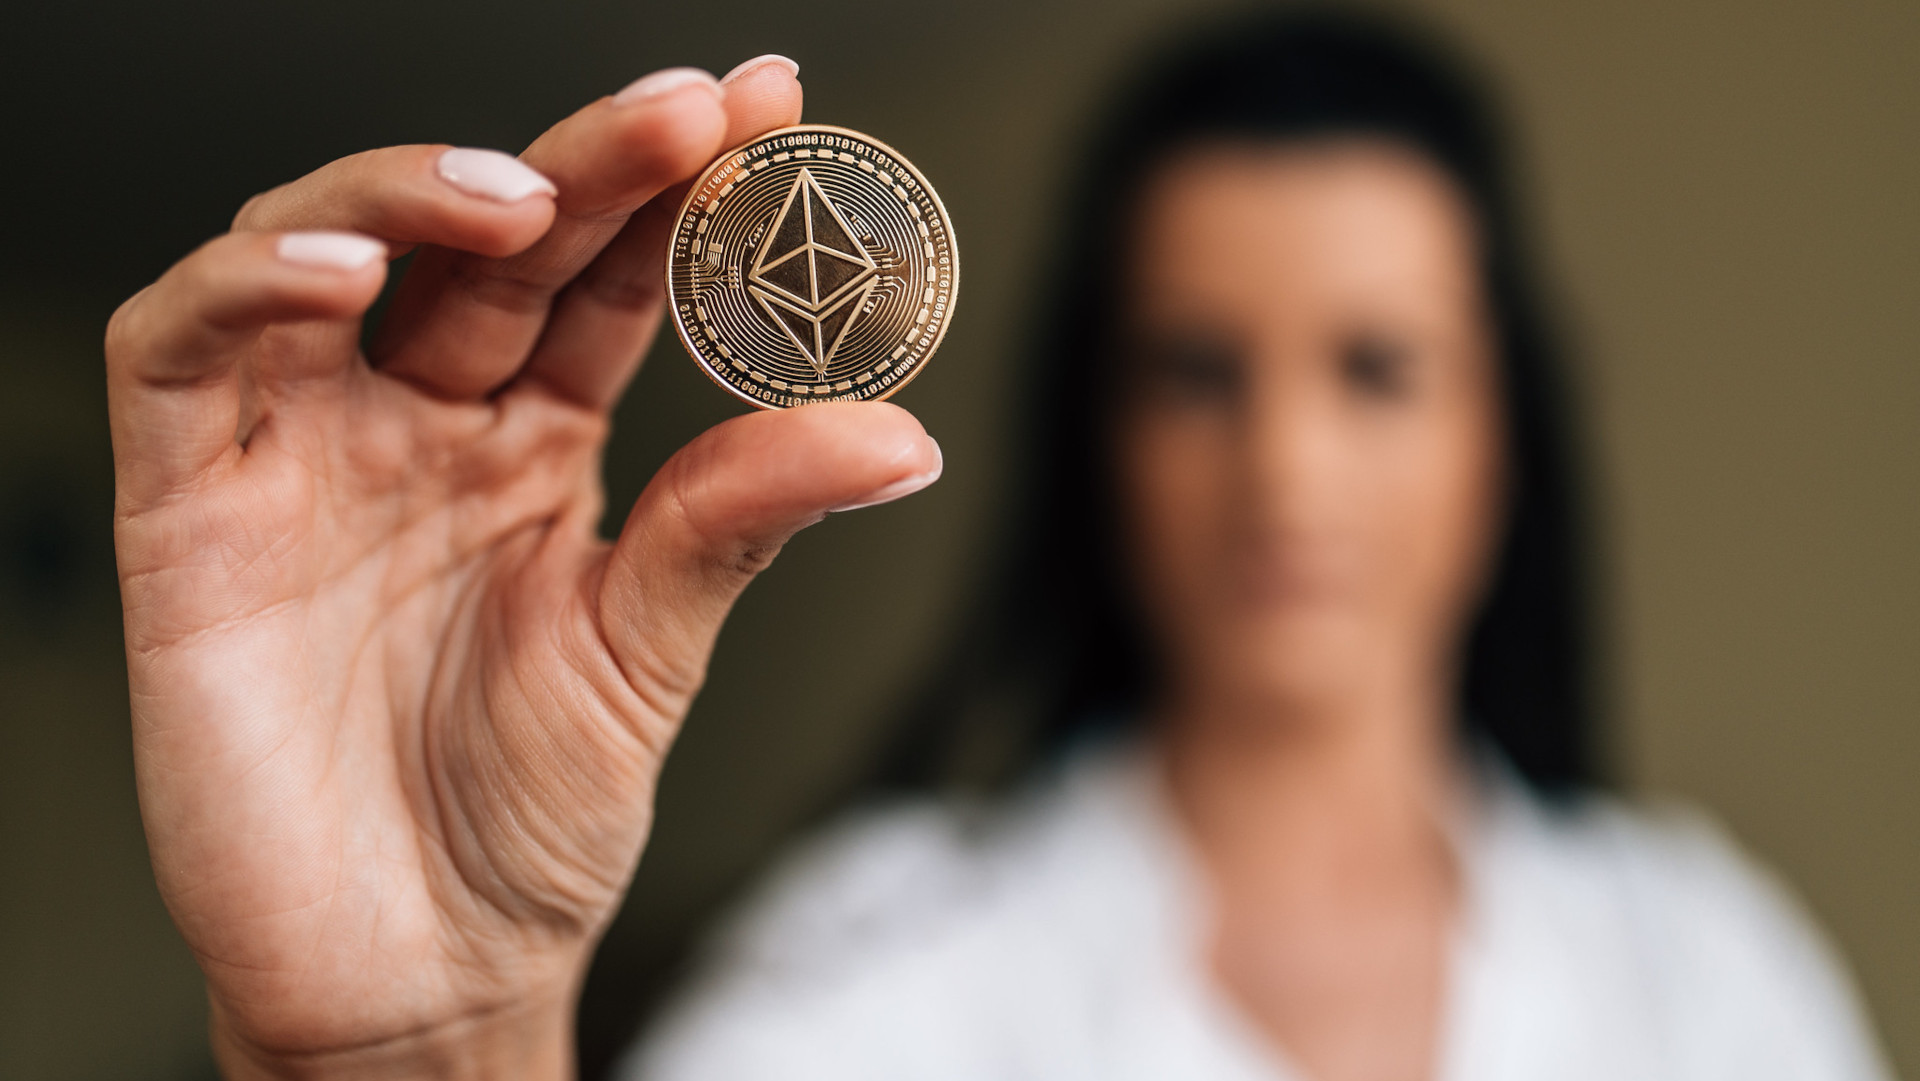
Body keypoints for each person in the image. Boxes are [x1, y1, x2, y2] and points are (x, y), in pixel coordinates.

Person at [104, 11, 1885, 1081]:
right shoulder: (877, 965)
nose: (1283, 467)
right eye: (1197, 371)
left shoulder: (1709, 961)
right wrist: (430, 1052)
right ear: (1099, 436)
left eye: (1376, 367)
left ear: (1504, 431)